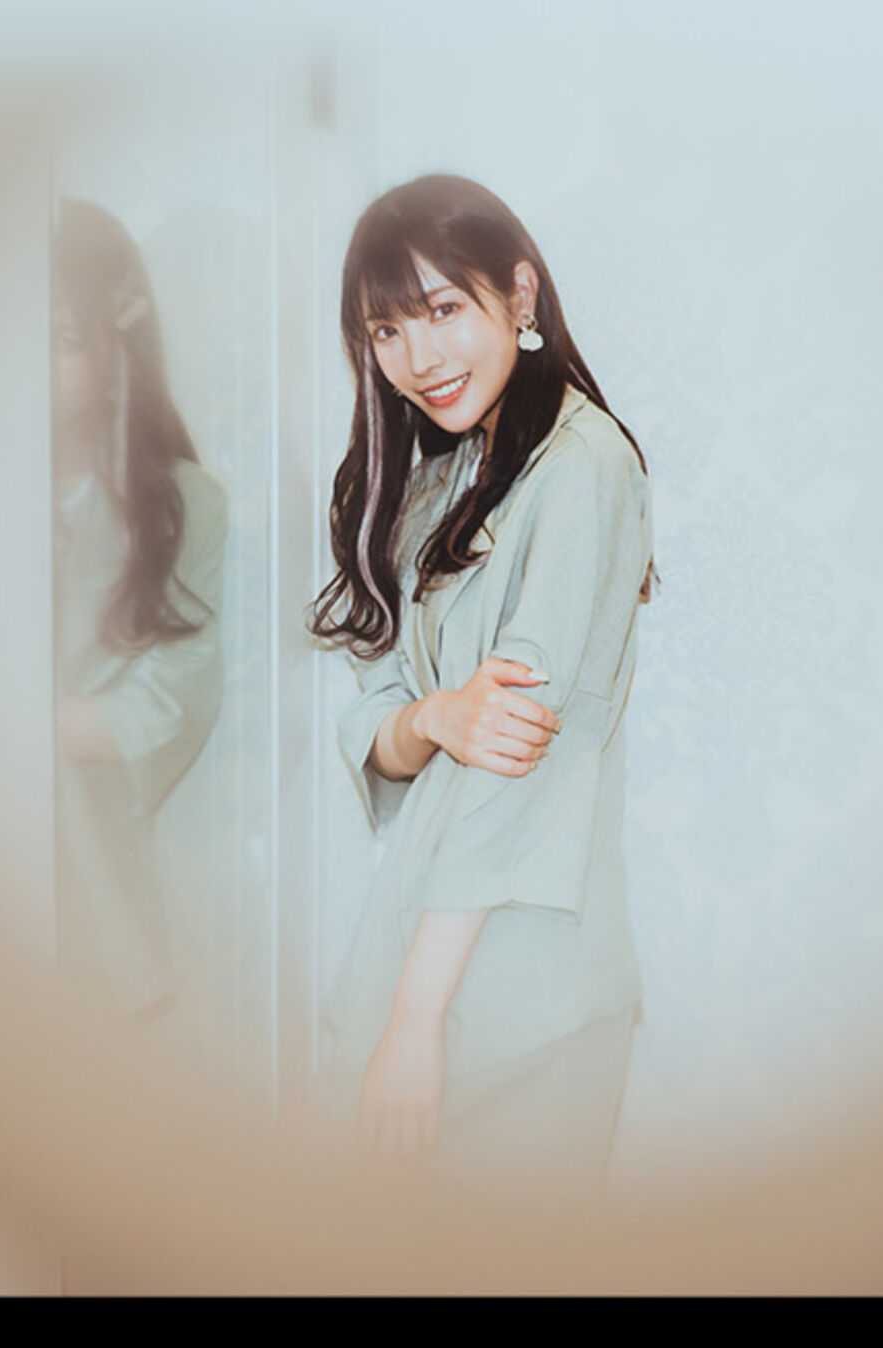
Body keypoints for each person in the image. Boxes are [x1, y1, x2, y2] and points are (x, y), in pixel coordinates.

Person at [306, 173, 659, 1204]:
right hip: (429, 941)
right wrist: (435, 716)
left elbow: (516, 758)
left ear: (520, 295)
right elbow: (379, 719)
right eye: (386, 330)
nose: (418, 358)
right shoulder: (437, 482)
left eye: (443, 310)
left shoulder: (581, 465)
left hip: (520, 972)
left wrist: (416, 1024)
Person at [51, 198, 228, 1032]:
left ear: (114, 344)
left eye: (59, 336)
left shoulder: (184, 507)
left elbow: (170, 704)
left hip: (89, 899)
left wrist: (21, 728)